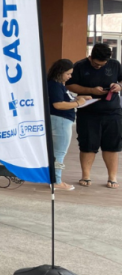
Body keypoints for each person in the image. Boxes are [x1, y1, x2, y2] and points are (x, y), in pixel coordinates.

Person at [66, 43, 121, 189]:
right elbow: (70, 85)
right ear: (90, 57)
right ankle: (86, 176)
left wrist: (118, 86)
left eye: (102, 64)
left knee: (112, 145)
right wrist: (91, 90)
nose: (99, 67)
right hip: (88, 112)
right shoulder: (80, 66)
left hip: (112, 111)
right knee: (88, 145)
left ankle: (112, 177)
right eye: (96, 64)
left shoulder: (115, 64)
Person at [47, 59, 91, 191]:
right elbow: (58, 104)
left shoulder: (58, 84)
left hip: (62, 120)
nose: (70, 76)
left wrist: (79, 98)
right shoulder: (54, 85)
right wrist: (78, 103)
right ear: (60, 72)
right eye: (68, 74)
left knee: (58, 151)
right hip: (60, 120)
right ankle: (57, 181)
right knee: (59, 151)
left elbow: (64, 99)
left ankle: (55, 179)